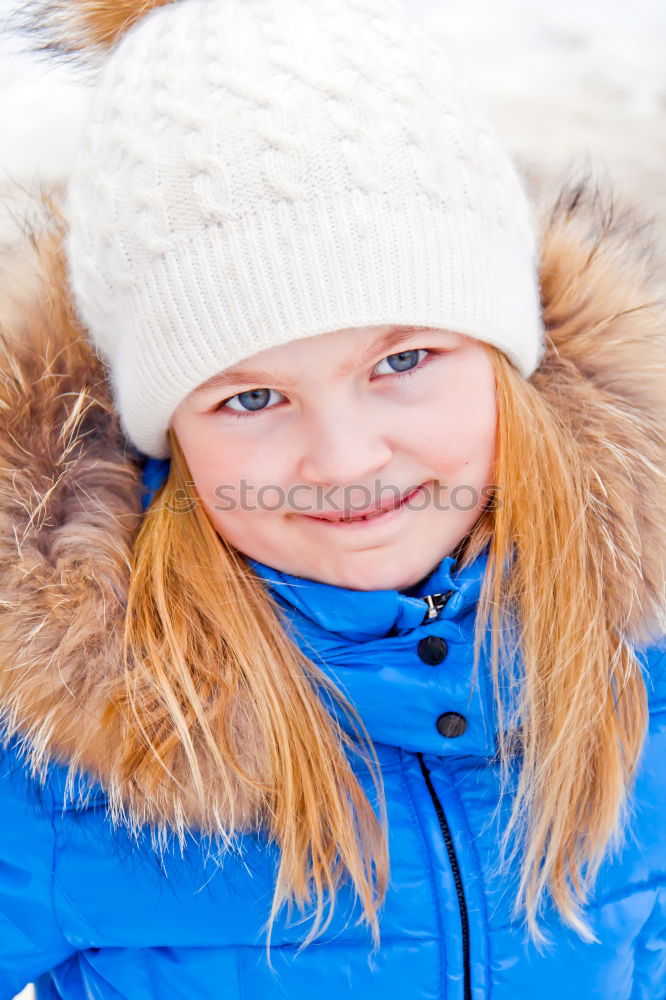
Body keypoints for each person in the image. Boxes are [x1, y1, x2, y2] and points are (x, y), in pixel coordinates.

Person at [0, 0, 665, 997]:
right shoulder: (57, 755)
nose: (346, 458)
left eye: (402, 358)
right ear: (169, 432)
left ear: (506, 360)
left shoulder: (635, 646)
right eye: (252, 395)